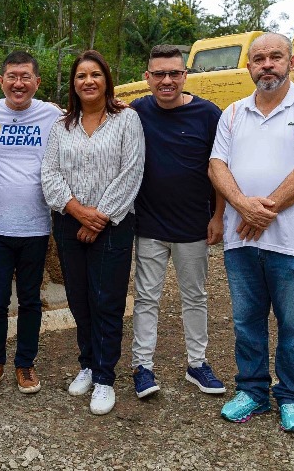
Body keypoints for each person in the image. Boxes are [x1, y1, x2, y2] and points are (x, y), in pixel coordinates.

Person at [208, 32, 294, 433]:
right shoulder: (233, 114)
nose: (267, 64)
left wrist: (263, 211)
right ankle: (252, 391)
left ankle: (292, 396)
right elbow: (216, 166)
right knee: (246, 322)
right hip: (241, 241)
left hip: (292, 242)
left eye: (275, 57)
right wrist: (243, 205)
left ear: (291, 62)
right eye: (259, 58)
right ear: (249, 66)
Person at [41, 49, 145, 415]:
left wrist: (99, 217)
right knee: (79, 298)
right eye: (81, 75)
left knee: (107, 301)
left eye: (95, 74)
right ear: (73, 84)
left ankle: (104, 377)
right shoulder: (62, 126)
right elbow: (49, 174)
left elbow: (132, 171)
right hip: (69, 223)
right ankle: (87, 363)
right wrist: (78, 212)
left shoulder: (126, 120)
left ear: (106, 80)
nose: (88, 81)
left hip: (113, 224)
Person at [130, 44, 226, 399]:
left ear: (185, 76)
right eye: (159, 74)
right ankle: (142, 366)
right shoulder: (137, 111)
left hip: (193, 226)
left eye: (174, 73)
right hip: (149, 226)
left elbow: (220, 168)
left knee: (195, 296)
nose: (166, 80)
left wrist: (218, 216)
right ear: (148, 77)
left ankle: (197, 364)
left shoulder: (207, 114)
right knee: (146, 298)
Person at [0, 51, 61, 394]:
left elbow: (91, 115)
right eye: (12, 76)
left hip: (35, 226)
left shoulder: (51, 114)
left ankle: (25, 364)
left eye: (25, 77)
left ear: (37, 82)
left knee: (30, 300)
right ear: (1, 81)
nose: (18, 83)